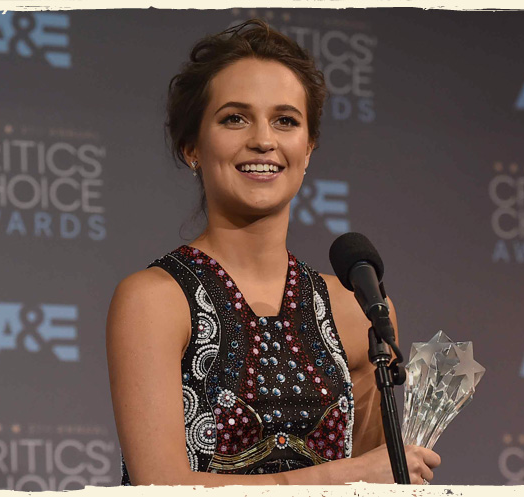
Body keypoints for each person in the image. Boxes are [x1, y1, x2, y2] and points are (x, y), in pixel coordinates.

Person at [106, 18, 441, 486]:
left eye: (286, 121)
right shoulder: (154, 300)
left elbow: (376, 479)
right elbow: (160, 486)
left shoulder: (355, 308)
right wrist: (341, 477)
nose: (263, 140)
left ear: (308, 149)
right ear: (191, 147)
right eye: (234, 118)